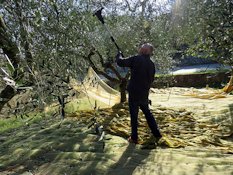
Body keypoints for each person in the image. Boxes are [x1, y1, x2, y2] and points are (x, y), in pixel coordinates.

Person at [115, 43, 162, 144]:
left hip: (134, 92)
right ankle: (157, 133)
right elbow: (151, 79)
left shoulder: (136, 59)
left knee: (134, 115)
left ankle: (134, 138)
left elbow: (120, 62)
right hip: (144, 93)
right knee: (147, 113)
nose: (139, 48)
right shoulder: (151, 64)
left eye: (141, 47)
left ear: (143, 50)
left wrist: (118, 54)